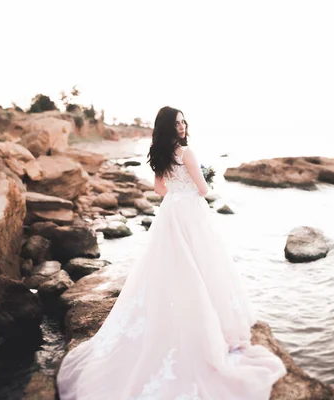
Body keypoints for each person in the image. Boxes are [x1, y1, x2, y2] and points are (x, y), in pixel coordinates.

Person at [56, 106, 286, 399]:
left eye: (183, 121)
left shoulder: (159, 151)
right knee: (203, 264)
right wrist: (201, 179)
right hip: (191, 212)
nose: (182, 125)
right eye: (177, 122)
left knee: (170, 265)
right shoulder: (187, 153)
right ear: (170, 126)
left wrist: (179, 189)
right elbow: (203, 190)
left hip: (171, 212)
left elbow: (159, 189)